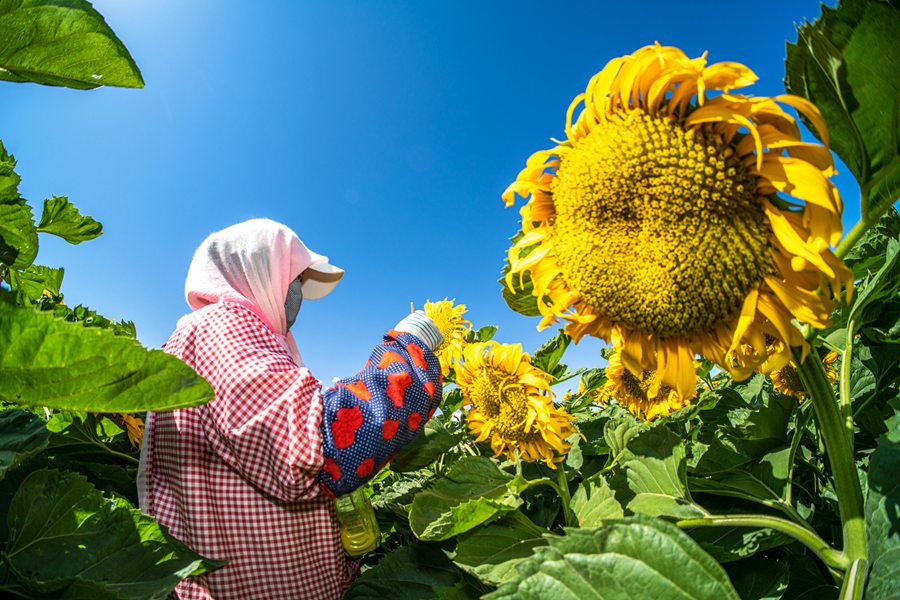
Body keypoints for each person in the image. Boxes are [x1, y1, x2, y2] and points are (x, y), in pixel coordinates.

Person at [137, 219, 443, 599]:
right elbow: (325, 445)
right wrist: (408, 348)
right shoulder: (222, 327)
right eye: (294, 280)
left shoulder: (210, 339)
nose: (298, 294)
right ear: (259, 271)